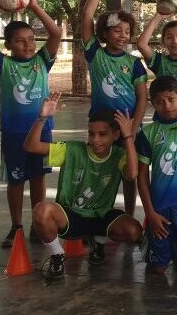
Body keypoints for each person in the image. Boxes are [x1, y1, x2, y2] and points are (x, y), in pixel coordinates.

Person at [25, 92, 143, 280]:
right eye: (91, 133)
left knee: (133, 231)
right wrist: (42, 118)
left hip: (100, 215)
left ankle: (98, 241)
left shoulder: (119, 155)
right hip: (70, 215)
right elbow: (31, 146)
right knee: (41, 211)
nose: (95, 139)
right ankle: (57, 255)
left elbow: (132, 174)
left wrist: (129, 138)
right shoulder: (72, 149)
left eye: (102, 134)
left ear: (115, 134)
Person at [0, 0, 61, 248]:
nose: (28, 44)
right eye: (20, 41)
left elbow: (56, 33)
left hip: (42, 130)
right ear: (8, 45)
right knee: (15, 180)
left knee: (39, 177)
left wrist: (35, 5)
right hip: (14, 132)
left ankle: (39, 223)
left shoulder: (41, 62)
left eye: (30, 39)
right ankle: (16, 225)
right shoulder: (4, 66)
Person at [80, 0, 148, 215]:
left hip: (129, 128)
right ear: (105, 33)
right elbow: (86, 17)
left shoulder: (134, 64)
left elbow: (142, 97)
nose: (123, 35)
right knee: (100, 172)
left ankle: (129, 215)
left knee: (131, 174)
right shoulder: (96, 55)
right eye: (117, 30)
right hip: (102, 127)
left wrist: (134, 126)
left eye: (127, 32)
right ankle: (95, 215)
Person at [135, 75, 177, 274]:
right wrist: (150, 212)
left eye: (171, 99)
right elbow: (141, 176)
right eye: (159, 102)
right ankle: (151, 238)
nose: (166, 105)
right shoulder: (147, 133)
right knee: (158, 269)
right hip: (160, 208)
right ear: (152, 104)